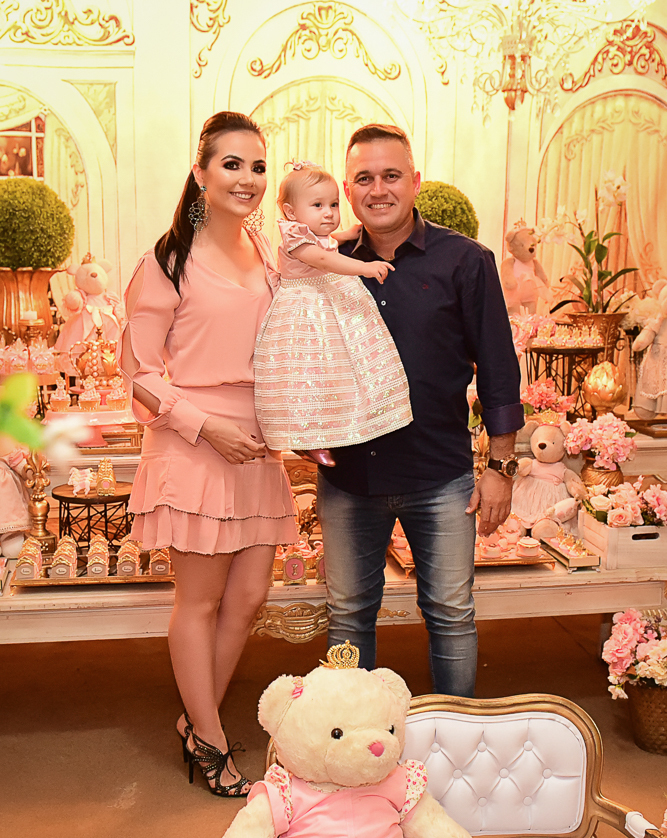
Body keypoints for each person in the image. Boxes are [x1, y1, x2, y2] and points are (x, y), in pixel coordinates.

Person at [119, 112, 298, 795]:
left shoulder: (268, 254)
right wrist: (205, 426)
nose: (247, 178)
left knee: (248, 598)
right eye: (231, 164)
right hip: (194, 442)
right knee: (199, 602)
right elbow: (138, 372)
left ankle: (197, 724)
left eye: (258, 166)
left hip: (257, 444)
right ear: (200, 174)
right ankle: (212, 742)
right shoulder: (166, 261)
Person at [317, 124, 524, 697]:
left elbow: (499, 368)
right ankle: (349, 735)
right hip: (349, 478)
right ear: (347, 189)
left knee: (451, 613)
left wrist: (501, 468)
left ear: (414, 181)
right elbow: (300, 352)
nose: (378, 189)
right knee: (347, 614)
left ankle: (457, 736)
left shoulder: (465, 261)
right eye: (364, 178)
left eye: (391, 175)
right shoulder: (325, 264)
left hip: (441, 478)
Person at [253, 161, 412, 467]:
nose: (328, 212)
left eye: (334, 204)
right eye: (318, 205)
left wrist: (346, 233)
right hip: (306, 311)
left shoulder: (312, 234)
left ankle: (360, 420)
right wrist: (364, 268)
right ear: (290, 212)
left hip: (326, 303)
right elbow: (325, 260)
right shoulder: (294, 237)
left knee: (343, 370)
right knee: (310, 375)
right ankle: (307, 438)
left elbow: (327, 243)